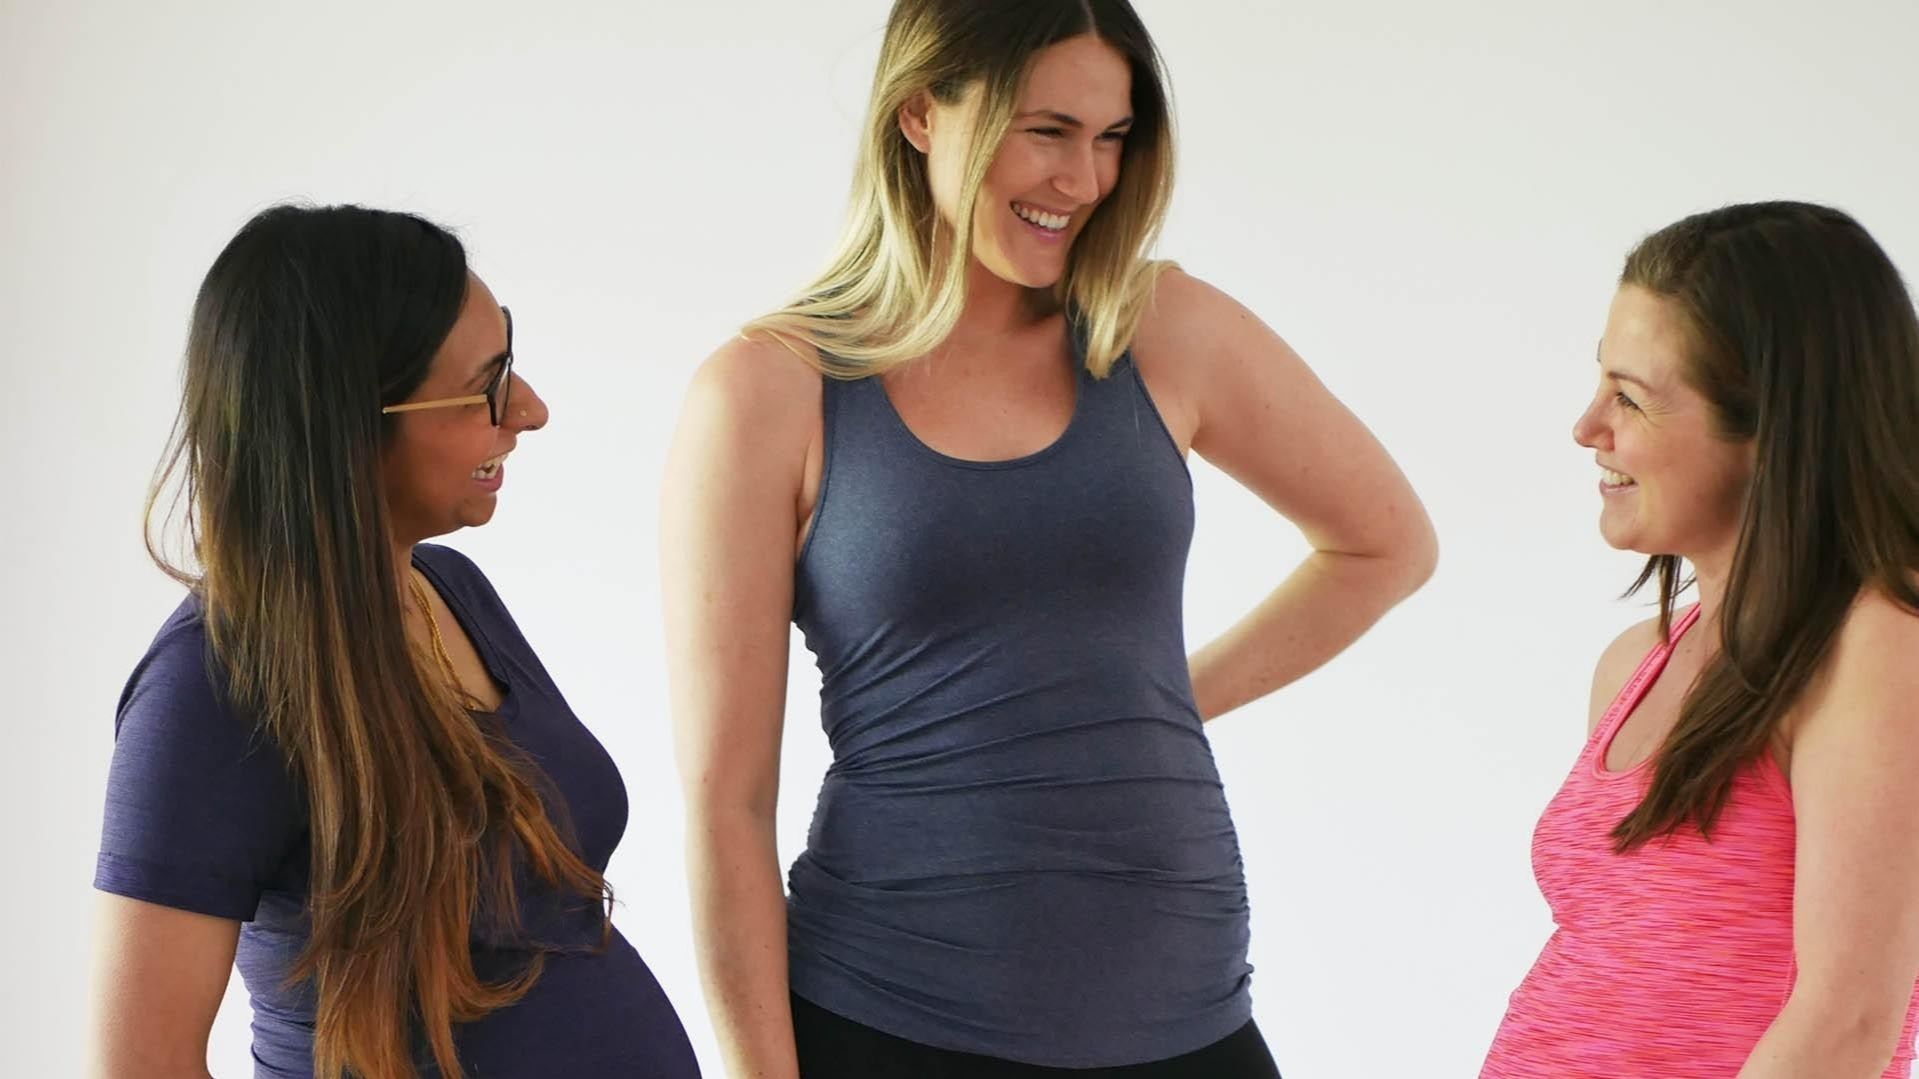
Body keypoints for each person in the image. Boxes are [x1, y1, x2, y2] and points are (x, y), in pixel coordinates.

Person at [660, 2, 1436, 1075]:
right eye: (1046, 131)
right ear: (920, 114)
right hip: (890, 1012)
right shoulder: (766, 392)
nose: (1082, 179)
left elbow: (1384, 545)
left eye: (1110, 137)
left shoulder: (1159, 329)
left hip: (1187, 1007)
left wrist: (1154, 701)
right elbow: (727, 805)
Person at [89, 204, 701, 1079]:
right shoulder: (211, 684)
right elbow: (140, 1062)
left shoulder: (449, 589)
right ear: (346, 422)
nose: (528, 410)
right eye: (487, 386)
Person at [1481, 201, 1919, 1078]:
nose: (1586, 426)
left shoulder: (1878, 647)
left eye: (1630, 397)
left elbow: (1846, 1021)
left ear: (1771, 428)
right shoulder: (1633, 665)